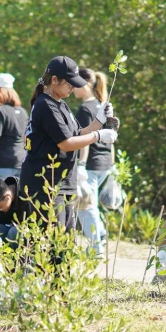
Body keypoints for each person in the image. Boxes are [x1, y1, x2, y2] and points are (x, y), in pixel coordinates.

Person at [20, 56, 119, 229]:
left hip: (63, 182)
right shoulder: (45, 105)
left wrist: (99, 120)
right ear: (54, 80)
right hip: (46, 184)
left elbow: (78, 134)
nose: (73, 88)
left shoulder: (61, 105)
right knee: (50, 245)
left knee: (65, 244)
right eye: (70, 83)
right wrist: (98, 136)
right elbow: (66, 143)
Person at [72, 68, 114, 256]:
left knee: (85, 206)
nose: (73, 88)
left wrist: (80, 164)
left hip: (90, 163)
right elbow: (111, 136)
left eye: (75, 84)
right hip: (104, 162)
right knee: (92, 205)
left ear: (86, 84)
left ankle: (96, 247)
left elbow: (86, 137)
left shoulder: (85, 108)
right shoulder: (101, 105)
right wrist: (112, 165)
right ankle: (101, 235)